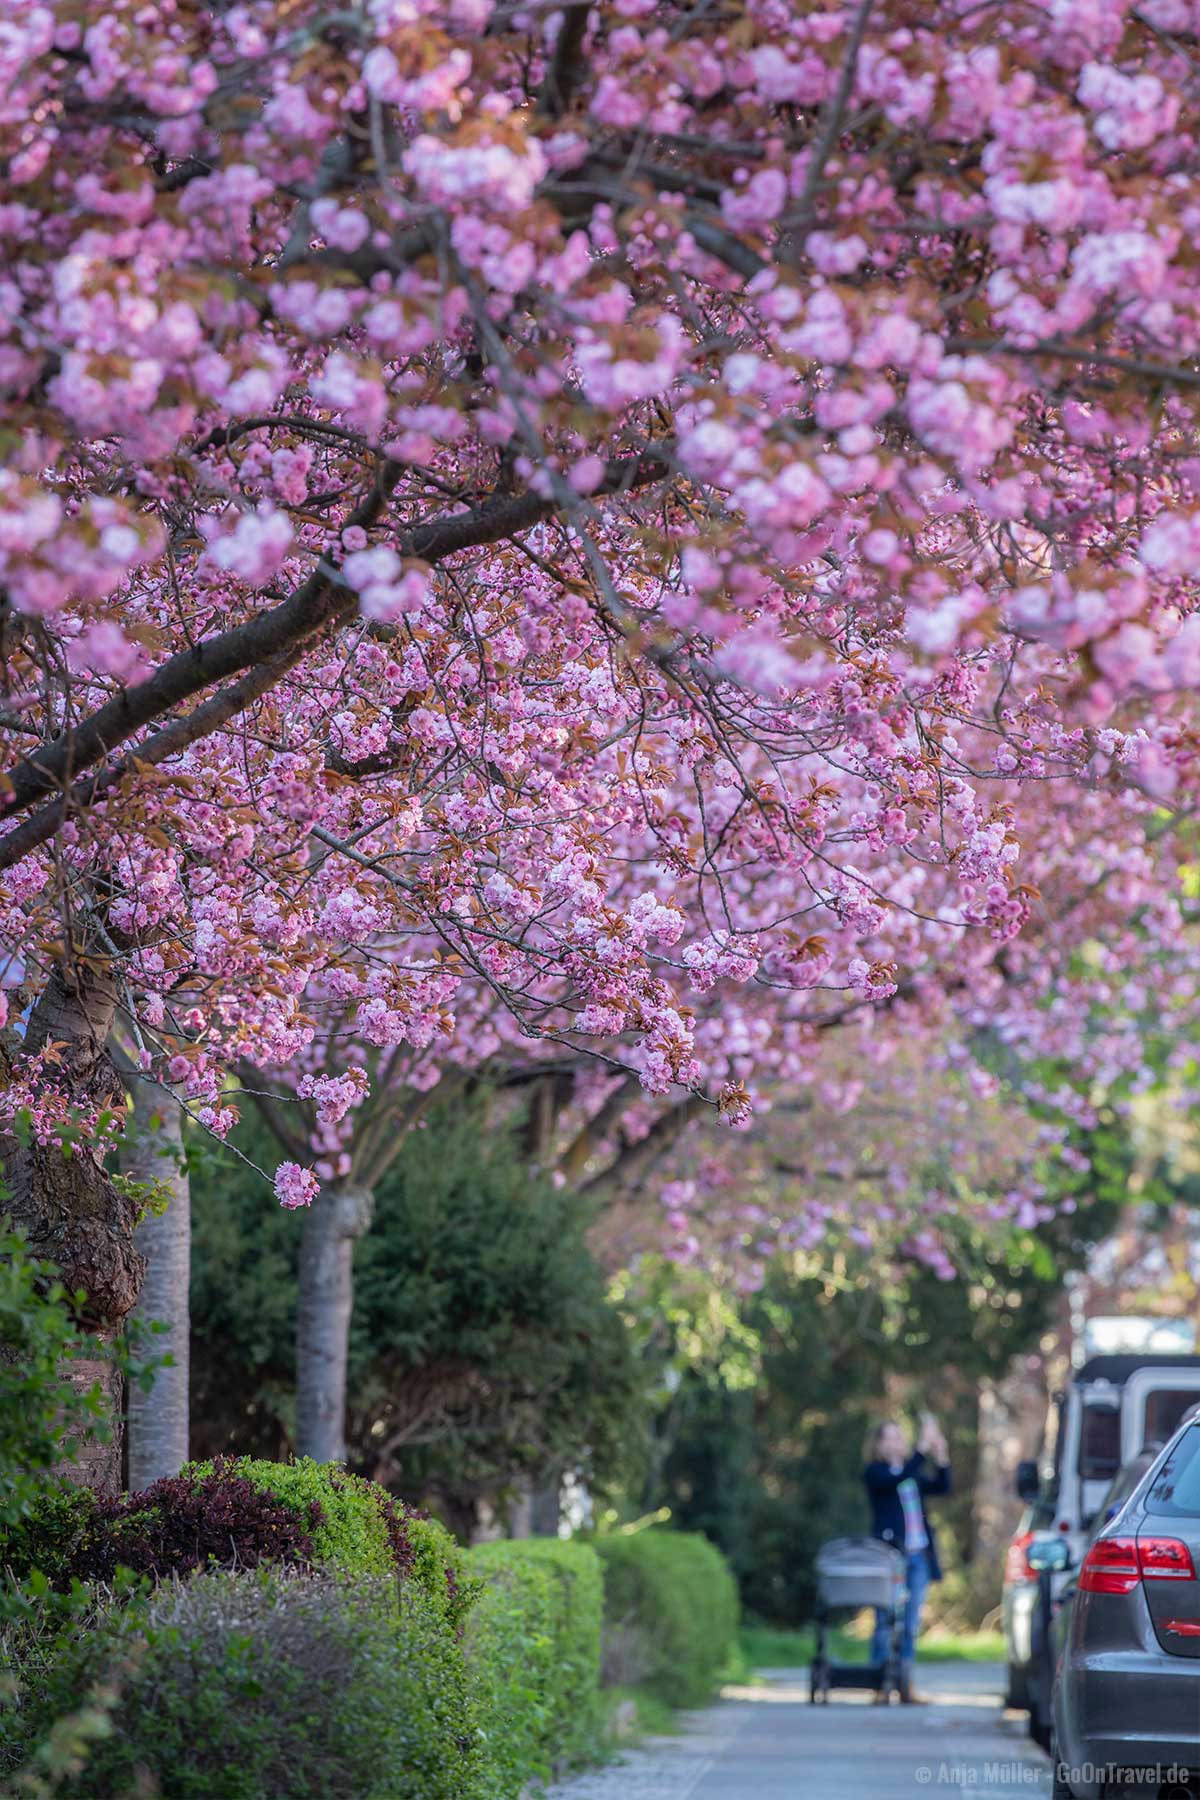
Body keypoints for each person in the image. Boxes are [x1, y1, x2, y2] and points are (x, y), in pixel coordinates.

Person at [862, 1412, 951, 1704]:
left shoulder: (911, 1473)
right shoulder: (876, 1473)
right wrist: (922, 1449)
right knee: (885, 1619)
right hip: (890, 1556)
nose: (896, 1442)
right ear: (878, 1444)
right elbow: (897, 1478)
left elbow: (942, 1486)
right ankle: (878, 1684)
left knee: (911, 1623)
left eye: (899, 1436)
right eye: (889, 1437)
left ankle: (905, 1683)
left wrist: (940, 1456)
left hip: (918, 1556)